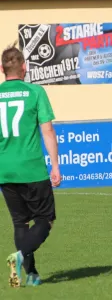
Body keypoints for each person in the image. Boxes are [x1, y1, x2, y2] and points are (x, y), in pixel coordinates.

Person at [0, 44, 60, 288]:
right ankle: (20, 255)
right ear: (24, 67)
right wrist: (55, 165)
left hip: (5, 170)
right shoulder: (35, 92)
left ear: (2, 69)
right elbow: (47, 130)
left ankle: (30, 275)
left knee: (20, 223)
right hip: (32, 169)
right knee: (45, 220)